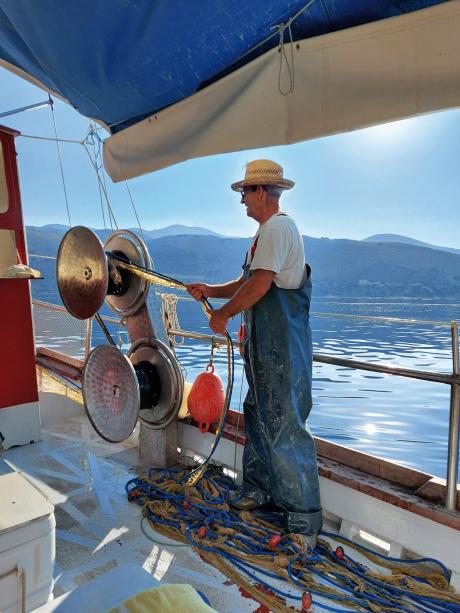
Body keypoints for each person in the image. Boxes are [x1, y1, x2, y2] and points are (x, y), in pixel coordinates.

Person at [187, 159, 322, 546]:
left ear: (262, 192)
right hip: (264, 350)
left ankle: (302, 521)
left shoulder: (279, 227)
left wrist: (222, 316)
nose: (242, 200)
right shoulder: (266, 233)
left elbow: (261, 285)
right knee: (259, 416)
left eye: (245, 192)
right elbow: (248, 279)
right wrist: (210, 292)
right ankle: (260, 491)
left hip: (284, 351)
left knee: (285, 425)